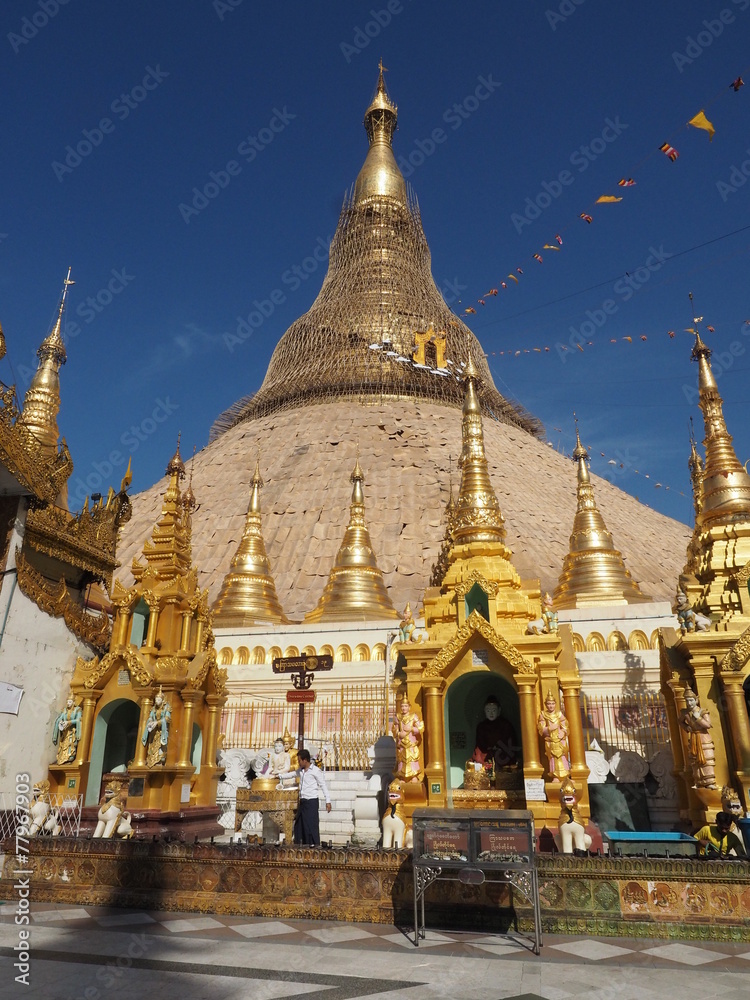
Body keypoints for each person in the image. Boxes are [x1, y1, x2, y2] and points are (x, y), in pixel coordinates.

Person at [290, 748, 331, 847]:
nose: (298, 763)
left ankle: (314, 846)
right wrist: (279, 776)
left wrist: (328, 801)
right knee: (299, 825)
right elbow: (292, 774)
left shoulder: (316, 771)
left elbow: (323, 785)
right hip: (303, 802)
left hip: (311, 802)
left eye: (299, 760)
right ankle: (301, 845)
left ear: (305, 760)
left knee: (311, 826)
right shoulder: (301, 771)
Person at [680, 687, 717, 789]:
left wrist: (698, 718)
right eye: (687, 701)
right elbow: (680, 721)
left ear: (696, 700)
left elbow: (708, 725)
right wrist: (686, 727)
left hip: (703, 737)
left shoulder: (702, 712)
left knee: (707, 759)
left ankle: (710, 781)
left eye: (691, 700)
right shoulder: (685, 712)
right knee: (694, 760)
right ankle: (699, 781)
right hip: (693, 738)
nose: (689, 703)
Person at [474, 695, 518, 769]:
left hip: (503, 756)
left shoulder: (506, 725)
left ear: (499, 710)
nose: (491, 713)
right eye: (488, 710)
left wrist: (499, 749)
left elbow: (511, 744)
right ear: (484, 711)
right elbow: (479, 745)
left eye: (494, 710)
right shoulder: (481, 726)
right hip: (486, 756)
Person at [537, 690, 570, 780]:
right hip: (550, 741)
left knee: (563, 757)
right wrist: (548, 729)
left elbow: (566, 726)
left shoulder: (559, 714)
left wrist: (563, 732)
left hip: (560, 740)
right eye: (549, 704)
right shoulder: (543, 715)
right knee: (552, 759)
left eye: (552, 703)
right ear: (545, 704)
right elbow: (541, 729)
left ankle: (565, 775)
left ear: (555, 704)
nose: (551, 705)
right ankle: (555, 776)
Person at [53, 693, 82, 765]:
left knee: (70, 746)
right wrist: (60, 722)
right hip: (65, 732)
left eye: (70, 702)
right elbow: (60, 719)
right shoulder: (65, 710)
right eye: (67, 702)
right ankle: (61, 758)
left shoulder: (77, 710)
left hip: (72, 732)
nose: (68, 704)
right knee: (63, 746)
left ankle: (69, 758)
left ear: (73, 702)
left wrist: (69, 722)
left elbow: (78, 720)